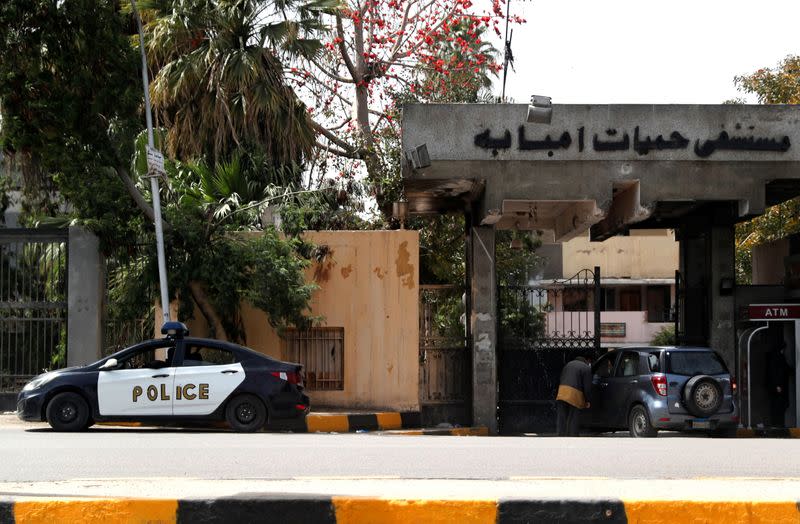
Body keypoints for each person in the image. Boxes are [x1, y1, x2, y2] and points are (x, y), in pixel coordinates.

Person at [556, 353, 593, 436]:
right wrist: (588, 400)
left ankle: (561, 434)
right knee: (574, 416)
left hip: (562, 391)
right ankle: (573, 435)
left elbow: (561, 378)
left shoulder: (568, 365)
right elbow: (587, 386)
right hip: (574, 393)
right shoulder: (586, 368)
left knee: (562, 416)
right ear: (587, 361)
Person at [765, 343, 791, 428]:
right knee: (778, 404)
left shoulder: (775, 357)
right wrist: (777, 385)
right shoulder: (777, 358)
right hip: (777, 386)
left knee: (777, 404)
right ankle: (777, 423)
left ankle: (777, 422)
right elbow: (775, 372)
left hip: (776, 385)